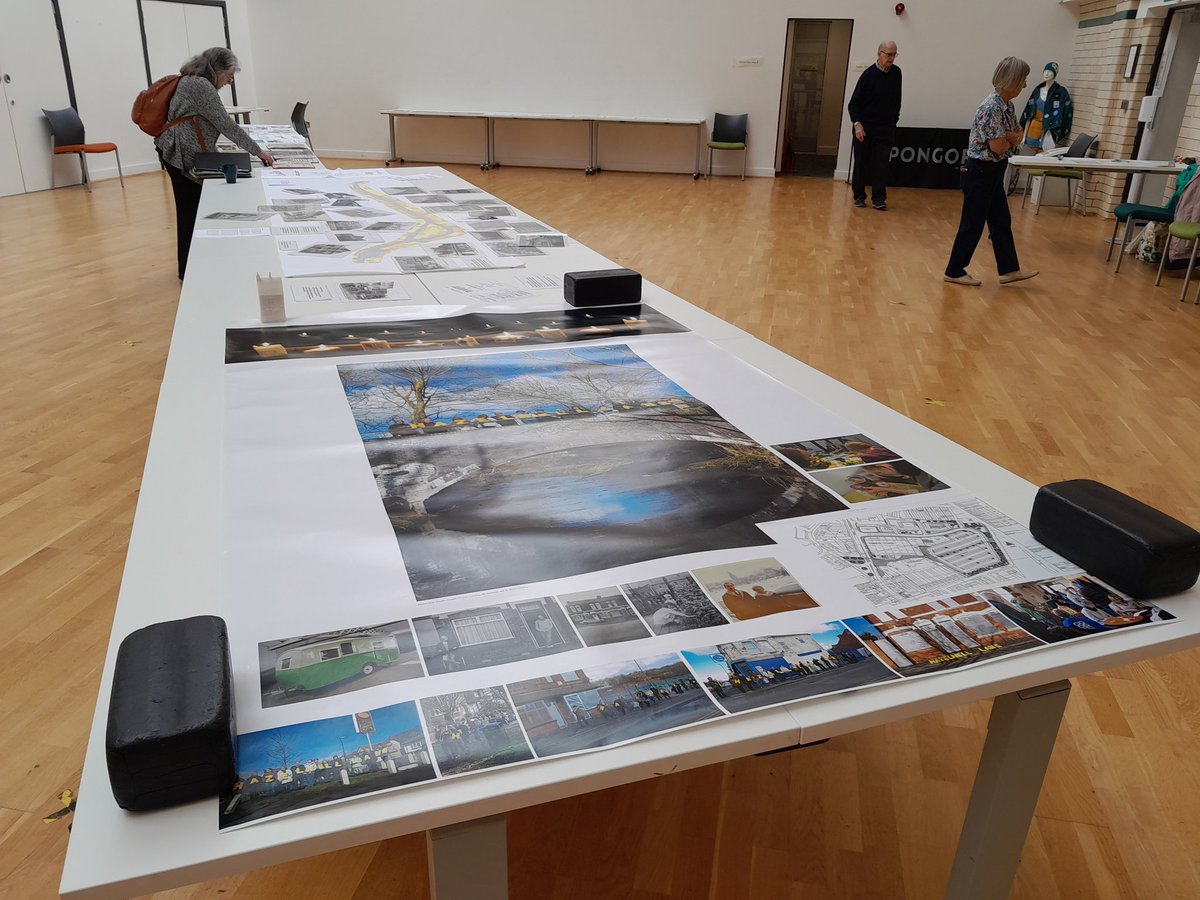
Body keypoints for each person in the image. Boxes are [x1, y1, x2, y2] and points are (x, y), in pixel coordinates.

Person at [155, 48, 275, 280]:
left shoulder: (192, 80)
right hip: (180, 153)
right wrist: (258, 151)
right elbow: (225, 124)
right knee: (189, 211)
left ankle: (193, 264)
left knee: (194, 208)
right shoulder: (200, 86)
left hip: (181, 150)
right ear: (216, 70)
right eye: (229, 76)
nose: (229, 82)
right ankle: (187, 270)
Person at [944, 57, 1039, 287]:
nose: (1025, 85)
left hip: (994, 170)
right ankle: (954, 270)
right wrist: (1010, 137)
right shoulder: (991, 107)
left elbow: (1018, 134)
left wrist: (1009, 136)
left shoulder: (1007, 106)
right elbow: (998, 146)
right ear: (1012, 81)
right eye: (1022, 80)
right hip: (980, 172)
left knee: (1000, 220)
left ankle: (1009, 269)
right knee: (973, 223)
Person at [847, 40, 902, 210]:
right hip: (864, 127)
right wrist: (858, 125)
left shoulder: (896, 73)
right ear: (879, 54)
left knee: (881, 164)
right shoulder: (868, 75)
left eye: (894, 54)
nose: (892, 58)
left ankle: (878, 198)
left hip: (885, 128)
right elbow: (853, 104)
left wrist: (894, 120)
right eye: (888, 54)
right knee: (861, 163)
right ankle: (859, 196)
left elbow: (897, 99)